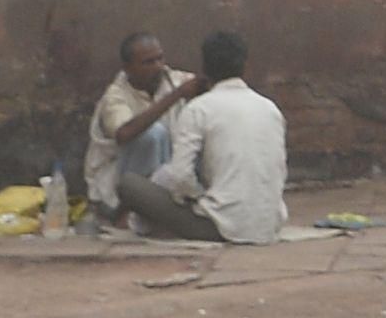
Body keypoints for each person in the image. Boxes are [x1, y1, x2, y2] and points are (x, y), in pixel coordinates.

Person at [116, 31, 287, 246]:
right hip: (269, 225)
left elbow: (180, 177)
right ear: (245, 66)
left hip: (220, 227)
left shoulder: (199, 109)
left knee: (130, 186)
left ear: (205, 69)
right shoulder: (270, 108)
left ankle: (138, 223)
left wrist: (198, 197)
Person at [81, 32, 197, 225]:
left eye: (160, 58)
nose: (158, 67)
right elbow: (124, 134)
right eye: (148, 62)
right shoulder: (115, 96)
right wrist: (176, 96)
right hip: (117, 181)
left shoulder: (174, 80)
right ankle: (128, 210)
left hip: (163, 175)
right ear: (128, 68)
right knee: (152, 134)